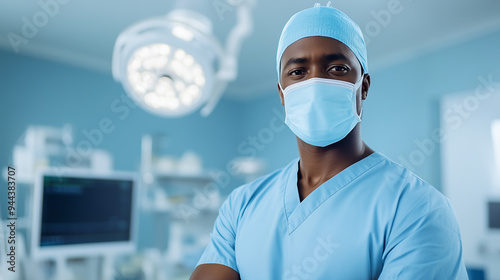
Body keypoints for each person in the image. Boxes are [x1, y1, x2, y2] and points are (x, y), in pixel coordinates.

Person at [190, 4, 468, 280]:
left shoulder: (416, 207)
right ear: (283, 94)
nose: (315, 83)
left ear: (364, 86)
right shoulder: (241, 205)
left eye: (337, 68)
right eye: (298, 72)